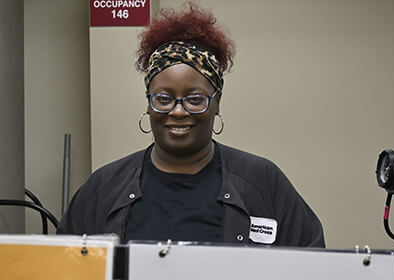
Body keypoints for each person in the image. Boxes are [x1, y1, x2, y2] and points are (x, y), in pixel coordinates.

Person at [57, 2, 325, 247]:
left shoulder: (263, 181)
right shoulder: (104, 187)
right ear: (148, 102)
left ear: (217, 101)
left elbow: (313, 266)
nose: (178, 111)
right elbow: (65, 275)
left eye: (195, 99)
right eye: (163, 98)